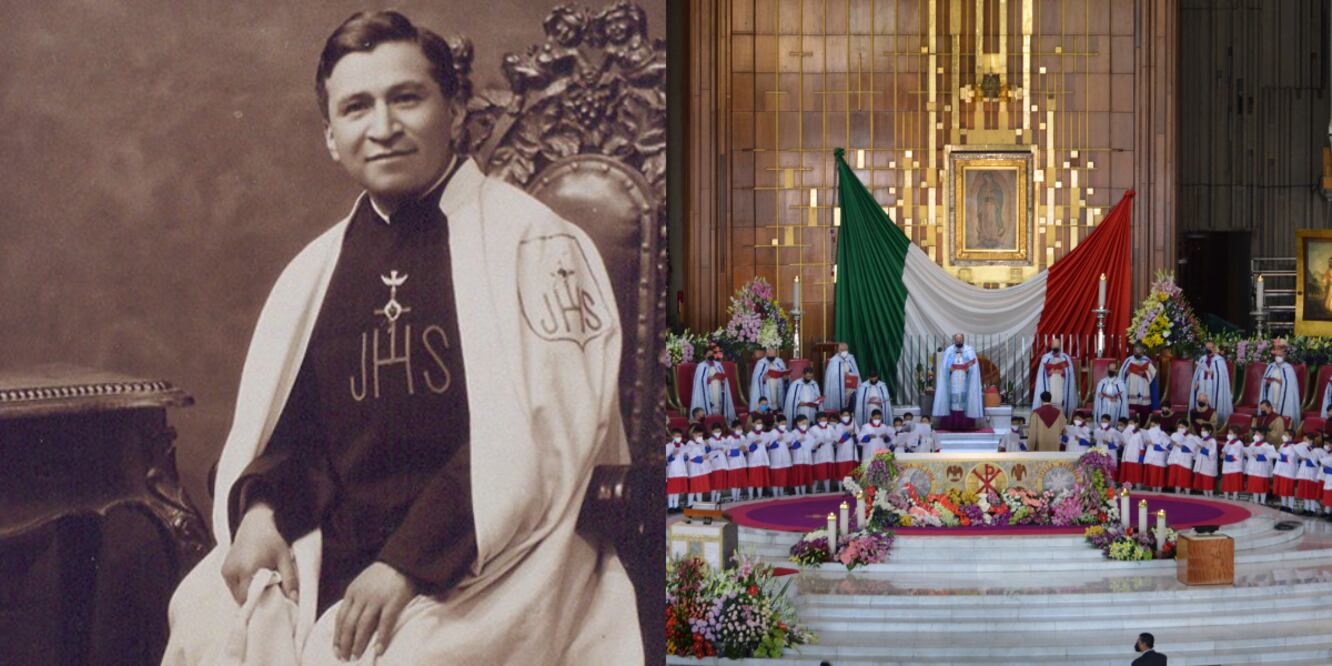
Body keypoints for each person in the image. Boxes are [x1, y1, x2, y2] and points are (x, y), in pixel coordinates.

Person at [164, 12, 639, 666]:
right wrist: (259, 517)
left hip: (491, 557)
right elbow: (292, 434)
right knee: (210, 624)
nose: (382, 127)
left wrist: (406, 565)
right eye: (356, 108)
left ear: (456, 108)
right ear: (332, 137)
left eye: (405, 98)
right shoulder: (316, 270)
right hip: (333, 545)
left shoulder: (534, 246)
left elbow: (542, 440)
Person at [932, 333, 983, 431]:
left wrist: (967, 367)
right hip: (953, 380)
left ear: (963, 339)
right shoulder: (949, 351)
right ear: (954, 340)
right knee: (953, 401)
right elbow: (944, 367)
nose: (959, 341)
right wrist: (950, 369)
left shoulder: (969, 350)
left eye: (960, 339)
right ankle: (951, 424)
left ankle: (966, 425)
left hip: (965, 380)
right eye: (957, 339)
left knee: (964, 400)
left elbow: (974, 366)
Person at [1191, 340, 1233, 426]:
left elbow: (1222, 377)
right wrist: (1197, 382)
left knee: (1212, 402)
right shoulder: (1202, 359)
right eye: (1207, 347)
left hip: (1214, 387)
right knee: (1201, 401)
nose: (1208, 349)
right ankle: (1198, 422)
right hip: (1202, 385)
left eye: (1210, 347)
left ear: (1214, 348)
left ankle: (1213, 424)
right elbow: (1199, 372)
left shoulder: (1219, 360)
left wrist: (1213, 374)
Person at [1033, 339, 1078, 416]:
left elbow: (1069, 373)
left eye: (1057, 345)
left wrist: (1063, 372)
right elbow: (1042, 373)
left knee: (1059, 401)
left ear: (1060, 346)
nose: (1056, 346)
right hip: (1050, 382)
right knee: (1051, 399)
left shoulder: (1065, 357)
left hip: (1061, 382)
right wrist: (1049, 372)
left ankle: (1061, 417)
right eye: (1054, 345)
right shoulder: (1046, 357)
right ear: (1051, 346)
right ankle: (1048, 415)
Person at [691, 346, 737, 423]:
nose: (711, 355)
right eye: (708, 354)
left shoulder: (718, 365)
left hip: (718, 390)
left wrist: (721, 378)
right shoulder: (701, 366)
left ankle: (720, 423)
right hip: (707, 392)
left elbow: (724, 378)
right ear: (705, 356)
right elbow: (700, 381)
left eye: (712, 354)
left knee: (718, 406)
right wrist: (709, 379)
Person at [1120, 344, 1160, 425]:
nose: (1137, 353)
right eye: (1135, 351)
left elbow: (1152, 375)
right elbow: (1122, 373)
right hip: (1131, 390)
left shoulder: (1147, 361)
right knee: (1131, 411)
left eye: (1139, 351)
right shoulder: (1128, 360)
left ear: (1143, 351)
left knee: (1144, 411)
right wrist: (1127, 372)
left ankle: (1143, 426)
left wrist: (1143, 373)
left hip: (1144, 389)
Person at [1261, 346, 1301, 425]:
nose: (1278, 357)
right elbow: (1264, 381)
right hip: (1271, 394)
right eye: (1277, 355)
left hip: (1282, 395)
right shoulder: (1271, 366)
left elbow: (1290, 385)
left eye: (1280, 355)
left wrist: (1278, 381)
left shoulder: (1288, 368)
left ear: (1284, 356)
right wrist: (1267, 382)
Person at [824, 342, 861, 411]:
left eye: (845, 350)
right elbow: (832, 378)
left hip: (850, 390)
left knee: (852, 408)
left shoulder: (851, 358)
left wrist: (849, 374)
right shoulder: (833, 361)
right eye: (842, 350)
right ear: (838, 350)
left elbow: (856, 373)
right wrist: (841, 376)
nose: (844, 351)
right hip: (838, 389)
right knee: (839, 409)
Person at [749, 347, 787, 413]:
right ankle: (765, 413)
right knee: (766, 411)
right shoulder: (761, 363)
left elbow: (784, 374)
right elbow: (756, 378)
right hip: (766, 388)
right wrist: (762, 378)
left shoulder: (779, 361)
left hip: (778, 387)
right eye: (770, 351)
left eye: (774, 352)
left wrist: (785, 378)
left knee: (777, 408)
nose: (772, 353)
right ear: (766, 352)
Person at [1244, 432, 1276, 505]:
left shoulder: (1266, 445)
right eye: (1255, 434)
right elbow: (1249, 453)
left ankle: (1262, 501)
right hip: (1253, 468)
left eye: (1257, 434)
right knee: (1254, 487)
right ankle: (1255, 501)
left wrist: (1258, 456)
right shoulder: (1252, 444)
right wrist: (1247, 454)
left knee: (1262, 487)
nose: (1255, 436)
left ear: (1262, 436)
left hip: (1261, 469)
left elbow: (1270, 456)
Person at [1294, 434, 1322, 515]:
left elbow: (1316, 463)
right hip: (1303, 473)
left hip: (1311, 474)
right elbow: (1299, 461)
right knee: (1305, 492)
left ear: (1311, 441)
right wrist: (1300, 459)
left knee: (1311, 492)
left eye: (1306, 440)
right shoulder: (1304, 449)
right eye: (1303, 440)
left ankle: (1312, 509)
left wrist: (1306, 459)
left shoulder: (1316, 450)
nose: (1304, 442)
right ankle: (1306, 509)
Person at [1272, 433, 1300, 512]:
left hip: (1288, 472)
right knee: (1282, 490)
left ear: (1291, 437)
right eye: (1283, 434)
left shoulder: (1294, 447)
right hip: (1280, 470)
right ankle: (1283, 505)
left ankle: (1291, 507)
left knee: (1289, 490)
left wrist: (1279, 455)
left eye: (1286, 435)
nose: (1284, 436)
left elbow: (1290, 459)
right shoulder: (1282, 446)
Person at [766, 415, 793, 497]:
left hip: (784, 456)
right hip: (775, 456)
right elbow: (768, 445)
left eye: (785, 424)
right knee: (775, 476)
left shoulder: (787, 432)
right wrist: (777, 441)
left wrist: (789, 443)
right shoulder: (772, 432)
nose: (783, 425)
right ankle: (775, 494)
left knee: (782, 476)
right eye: (782, 423)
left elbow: (789, 443)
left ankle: (781, 494)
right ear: (777, 423)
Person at [810, 413, 837, 493]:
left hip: (829, 453)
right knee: (817, 474)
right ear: (818, 420)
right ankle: (813, 492)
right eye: (822, 420)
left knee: (827, 474)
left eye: (825, 419)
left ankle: (827, 491)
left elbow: (835, 437)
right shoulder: (813, 429)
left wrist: (834, 441)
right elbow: (810, 443)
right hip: (819, 455)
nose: (824, 421)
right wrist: (817, 444)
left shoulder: (830, 427)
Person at [744, 419, 771, 500]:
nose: (759, 424)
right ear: (753, 424)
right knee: (752, 480)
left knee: (761, 479)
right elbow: (748, 448)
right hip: (754, 459)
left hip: (762, 458)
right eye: (757, 423)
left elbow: (767, 445)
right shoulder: (750, 435)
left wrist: (768, 443)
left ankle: (759, 496)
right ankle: (751, 496)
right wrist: (754, 443)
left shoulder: (764, 434)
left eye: (761, 423)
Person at [787, 415, 814, 496]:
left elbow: (812, 446)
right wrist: (798, 441)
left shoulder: (809, 433)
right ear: (798, 423)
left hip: (806, 457)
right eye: (803, 423)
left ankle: (804, 492)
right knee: (797, 476)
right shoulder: (793, 433)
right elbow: (792, 446)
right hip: (797, 458)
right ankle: (797, 492)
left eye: (806, 423)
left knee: (805, 475)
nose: (805, 425)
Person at [1165, 422, 1195, 493]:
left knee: (1186, 480)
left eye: (1182, 427)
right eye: (1179, 427)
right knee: (1176, 479)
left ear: (1187, 428)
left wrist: (1179, 445)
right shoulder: (1174, 435)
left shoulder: (1191, 437)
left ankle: (1187, 495)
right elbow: (1169, 447)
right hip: (1175, 459)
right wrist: (1171, 444)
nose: (1180, 428)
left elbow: (1192, 450)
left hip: (1185, 460)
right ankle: (1177, 494)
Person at [1142, 417, 1170, 492]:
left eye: (1154, 426)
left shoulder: (1163, 434)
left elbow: (1166, 447)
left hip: (1159, 458)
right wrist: (1147, 442)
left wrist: (1153, 444)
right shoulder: (1148, 433)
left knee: (1159, 475)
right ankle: (1153, 490)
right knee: (1152, 475)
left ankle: (1159, 490)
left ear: (1158, 425)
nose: (1152, 427)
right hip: (1150, 456)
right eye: (1151, 425)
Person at [685, 426, 711, 506]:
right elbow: (692, 458)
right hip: (694, 470)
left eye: (701, 435)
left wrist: (707, 445)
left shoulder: (701, 442)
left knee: (700, 488)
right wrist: (702, 458)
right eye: (699, 435)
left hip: (701, 469)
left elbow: (706, 451)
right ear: (693, 434)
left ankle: (700, 504)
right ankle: (689, 505)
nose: (700, 437)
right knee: (693, 489)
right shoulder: (689, 444)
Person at [724, 421, 749, 503]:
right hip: (733, 463)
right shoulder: (729, 438)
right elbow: (728, 452)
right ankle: (734, 498)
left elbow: (746, 449)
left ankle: (738, 497)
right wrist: (738, 450)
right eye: (738, 428)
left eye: (741, 428)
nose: (740, 430)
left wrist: (745, 449)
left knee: (740, 481)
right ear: (733, 429)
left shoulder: (743, 437)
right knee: (734, 482)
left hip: (741, 461)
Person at [833, 408, 860, 485]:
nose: (846, 417)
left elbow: (858, 438)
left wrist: (854, 435)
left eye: (847, 415)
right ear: (840, 416)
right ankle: (840, 489)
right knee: (842, 472)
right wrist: (847, 434)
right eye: (844, 415)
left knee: (853, 472)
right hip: (842, 452)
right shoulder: (838, 426)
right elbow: (838, 440)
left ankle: (853, 488)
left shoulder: (854, 424)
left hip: (852, 452)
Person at [1191, 425, 1218, 497]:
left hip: (1208, 465)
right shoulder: (1202, 439)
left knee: (1208, 484)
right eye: (1201, 430)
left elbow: (1212, 453)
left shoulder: (1213, 441)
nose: (1202, 432)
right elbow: (1197, 452)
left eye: (1204, 430)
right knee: (1203, 485)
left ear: (1209, 431)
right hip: (1201, 465)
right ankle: (1206, 497)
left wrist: (1203, 448)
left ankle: (1211, 497)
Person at [1220, 428, 1246, 501]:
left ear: (1235, 434)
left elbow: (1237, 456)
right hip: (1227, 466)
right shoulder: (1228, 442)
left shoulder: (1239, 443)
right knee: (1226, 484)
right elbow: (1224, 450)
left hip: (1235, 467)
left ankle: (1234, 499)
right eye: (1228, 433)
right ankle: (1226, 499)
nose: (1229, 435)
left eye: (1230, 433)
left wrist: (1226, 456)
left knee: (1235, 485)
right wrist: (1222, 454)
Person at [705, 424, 728, 503]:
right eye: (716, 431)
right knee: (714, 483)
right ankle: (712, 499)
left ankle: (718, 499)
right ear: (712, 432)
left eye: (719, 431)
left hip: (723, 463)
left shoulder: (724, 439)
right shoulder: (710, 440)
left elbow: (727, 449)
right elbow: (708, 452)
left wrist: (724, 449)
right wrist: (714, 450)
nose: (718, 432)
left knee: (720, 483)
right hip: (714, 464)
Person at [1119, 420, 1145, 488]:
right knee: (1127, 473)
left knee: (1136, 474)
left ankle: (1137, 488)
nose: (1130, 425)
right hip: (1126, 456)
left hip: (1135, 457)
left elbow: (1142, 447)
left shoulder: (1139, 434)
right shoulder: (1125, 433)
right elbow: (1122, 443)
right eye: (1129, 423)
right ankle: (1126, 488)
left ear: (1136, 424)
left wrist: (1141, 459)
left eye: (1132, 423)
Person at [666, 429, 688, 511]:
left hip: (680, 470)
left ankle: (676, 505)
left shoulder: (683, 445)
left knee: (677, 489)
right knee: (672, 490)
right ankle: (670, 506)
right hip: (672, 470)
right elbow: (667, 460)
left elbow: (685, 459)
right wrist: (673, 455)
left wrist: (686, 456)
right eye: (677, 436)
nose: (679, 438)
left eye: (680, 436)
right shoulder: (668, 446)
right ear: (672, 436)